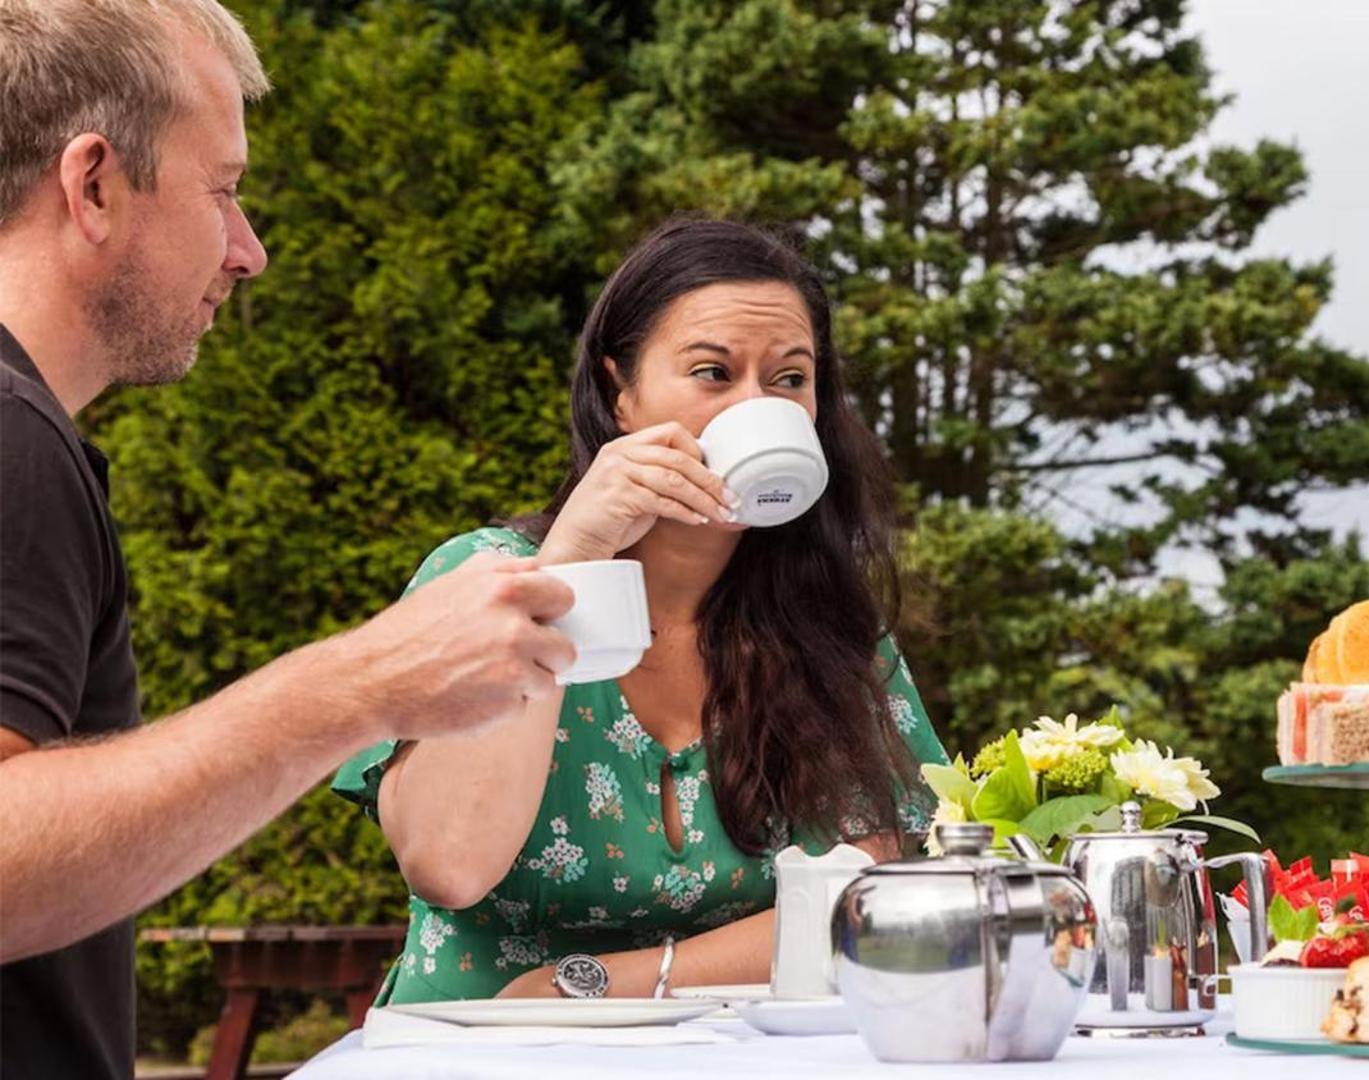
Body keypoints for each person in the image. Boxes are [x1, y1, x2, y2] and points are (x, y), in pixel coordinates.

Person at [0, 3, 578, 1076]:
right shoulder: (12, 441)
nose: (250, 252)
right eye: (223, 190)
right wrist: (363, 682)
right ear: (92, 185)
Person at [331, 218, 947, 1002]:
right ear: (619, 393)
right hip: (479, 1048)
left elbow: (865, 894)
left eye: (789, 380)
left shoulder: (828, 622)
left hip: (731, 1053)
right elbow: (446, 865)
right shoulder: (485, 578)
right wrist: (569, 563)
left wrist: (600, 982)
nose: (754, 407)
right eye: (712, 373)